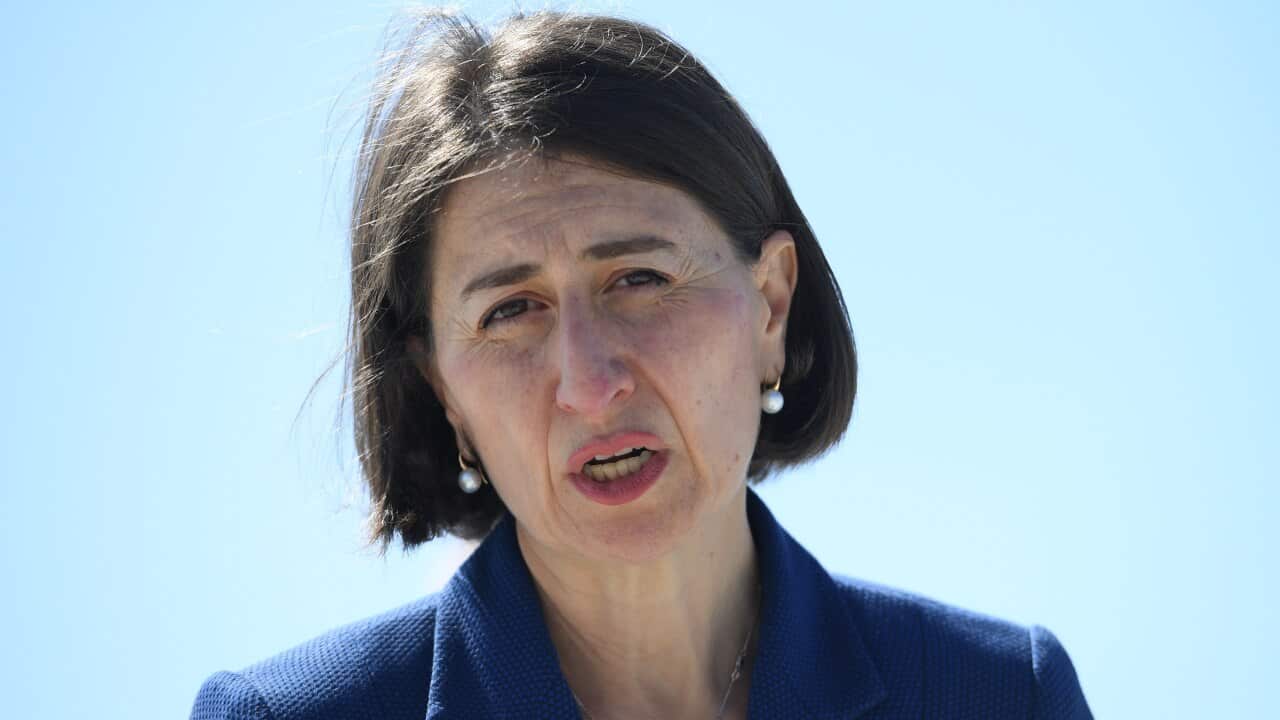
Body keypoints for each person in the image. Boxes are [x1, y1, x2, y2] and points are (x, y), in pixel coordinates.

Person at [192, 9, 1092, 720]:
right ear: (442, 392)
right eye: (510, 312)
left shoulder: (1006, 696)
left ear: (771, 305)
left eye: (639, 279)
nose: (589, 381)